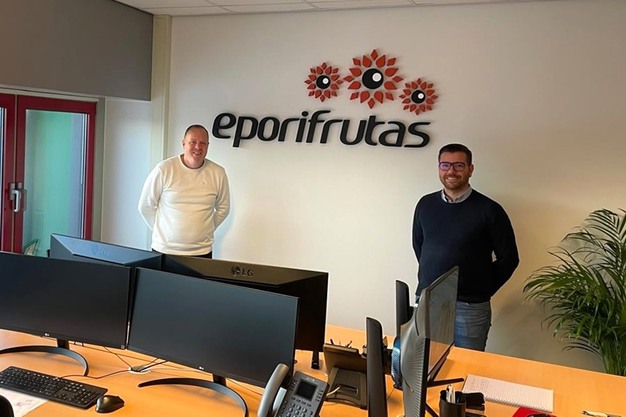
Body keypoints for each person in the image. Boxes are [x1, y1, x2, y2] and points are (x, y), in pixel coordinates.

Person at [412, 143, 519, 351]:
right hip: (429, 300)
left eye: (459, 165)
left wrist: (482, 288)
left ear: (470, 169)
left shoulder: (489, 210)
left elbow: (509, 258)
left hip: (470, 307)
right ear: (439, 168)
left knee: (469, 363)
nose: (451, 171)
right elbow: (420, 247)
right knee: (426, 361)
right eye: (445, 165)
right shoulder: (425, 204)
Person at [138, 124, 230, 258]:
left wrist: (206, 230)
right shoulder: (164, 169)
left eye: (203, 143)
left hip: (202, 252)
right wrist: (163, 231)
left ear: (207, 146)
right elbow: (145, 206)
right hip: (164, 251)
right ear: (183, 144)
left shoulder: (218, 173)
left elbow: (224, 209)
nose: (198, 147)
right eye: (193, 142)